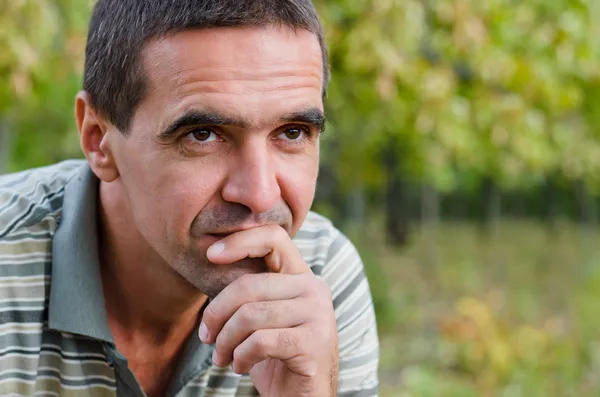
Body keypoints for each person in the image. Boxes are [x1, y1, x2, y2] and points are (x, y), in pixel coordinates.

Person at [0, 1, 379, 396]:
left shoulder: (321, 278)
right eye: (203, 134)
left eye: (293, 132)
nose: (260, 194)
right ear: (98, 140)